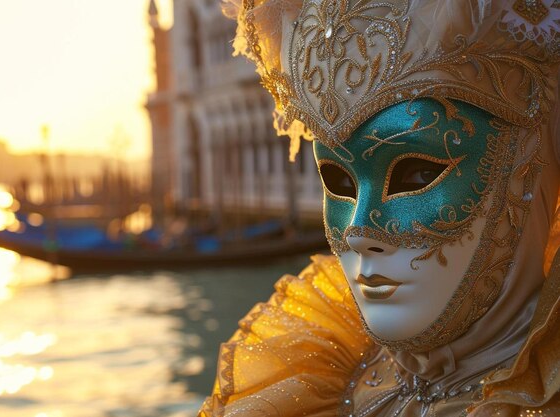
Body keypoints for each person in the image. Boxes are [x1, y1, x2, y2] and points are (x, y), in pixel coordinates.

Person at [199, 1, 560, 416]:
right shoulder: (312, 379)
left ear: (527, 160)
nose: (358, 232)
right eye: (338, 181)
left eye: (417, 174)